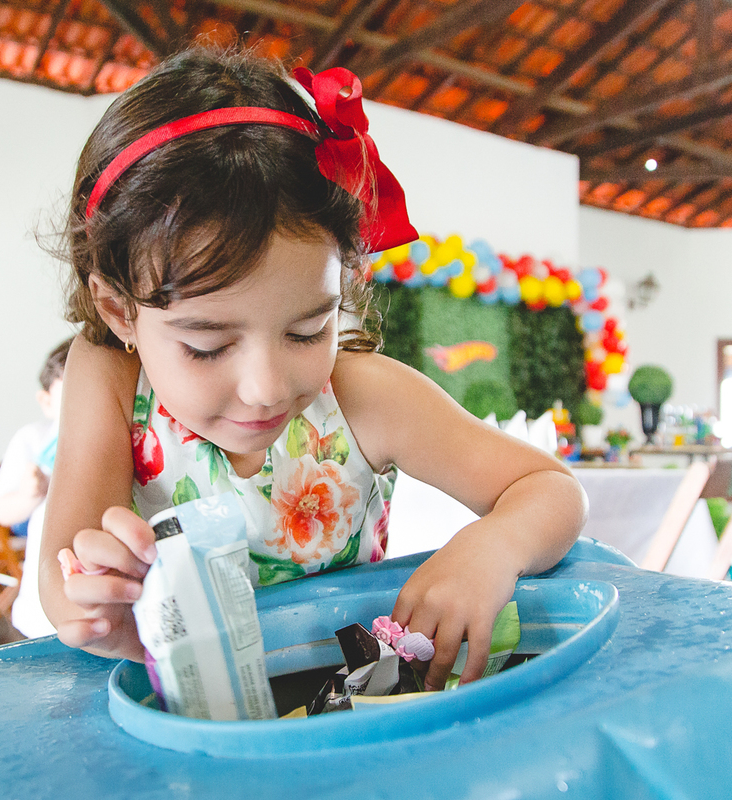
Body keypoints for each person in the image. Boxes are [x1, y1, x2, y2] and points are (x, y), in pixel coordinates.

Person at [39, 47, 587, 692]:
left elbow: (552, 490)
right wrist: (97, 600)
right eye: (207, 346)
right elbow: (63, 574)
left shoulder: (360, 397)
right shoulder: (110, 375)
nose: (267, 387)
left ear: (344, 283)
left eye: (307, 330)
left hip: (350, 709)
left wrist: (494, 546)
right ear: (119, 310)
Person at [0, 335, 73, 638]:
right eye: (71, 396)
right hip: (43, 588)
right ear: (46, 401)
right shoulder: (33, 438)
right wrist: (30, 493)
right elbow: (2, 512)